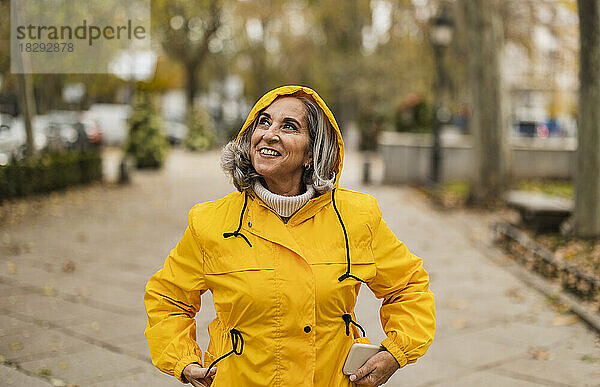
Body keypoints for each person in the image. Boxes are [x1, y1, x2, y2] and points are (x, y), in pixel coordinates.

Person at [144, 85, 435, 386]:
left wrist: (394, 353)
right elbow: (168, 298)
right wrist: (184, 360)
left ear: (311, 152)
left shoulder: (357, 216)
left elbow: (409, 286)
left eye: (289, 126)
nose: (269, 134)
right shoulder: (210, 221)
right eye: (264, 122)